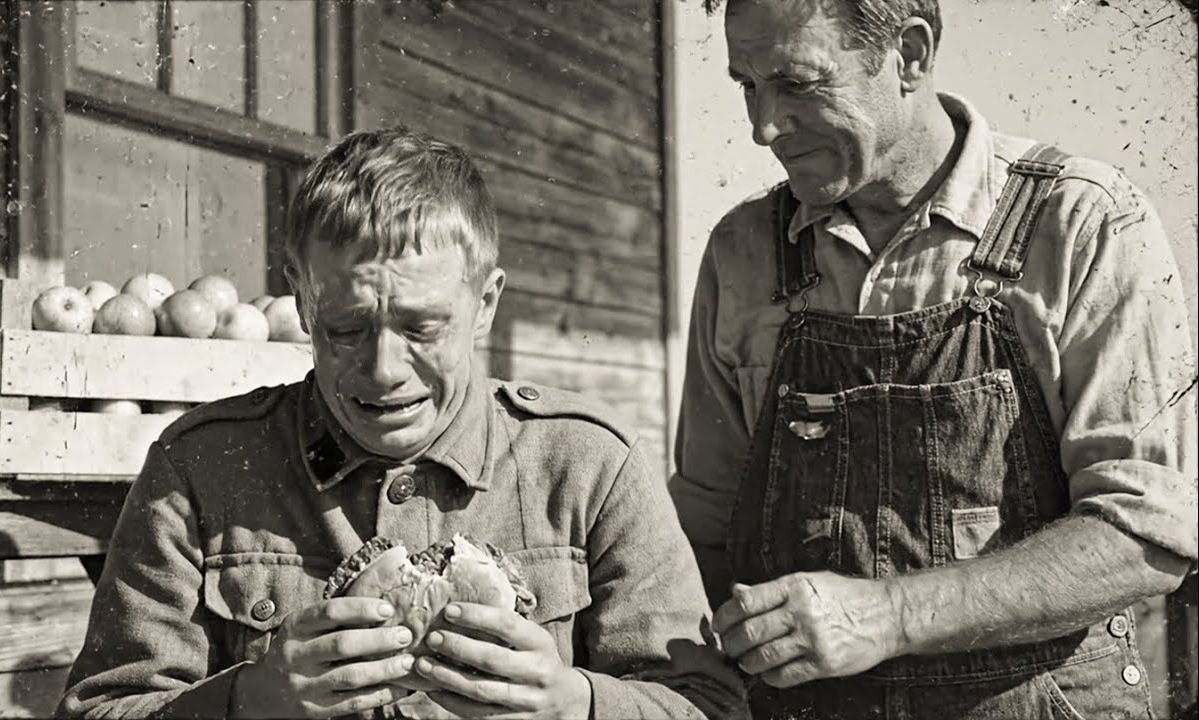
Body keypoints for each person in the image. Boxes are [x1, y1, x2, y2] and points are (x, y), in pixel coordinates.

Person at [59, 128, 747, 719]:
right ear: (302, 303)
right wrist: (249, 702)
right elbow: (102, 707)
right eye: (347, 328)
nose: (384, 369)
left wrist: (578, 703)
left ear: (485, 304)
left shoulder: (590, 467)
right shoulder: (199, 468)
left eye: (421, 327)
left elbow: (709, 707)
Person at [669, 0, 1197, 717]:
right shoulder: (742, 251)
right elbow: (703, 530)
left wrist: (887, 616)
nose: (763, 127)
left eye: (797, 83)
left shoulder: (1084, 222)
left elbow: (1146, 529)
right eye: (747, 86)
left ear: (910, 54)